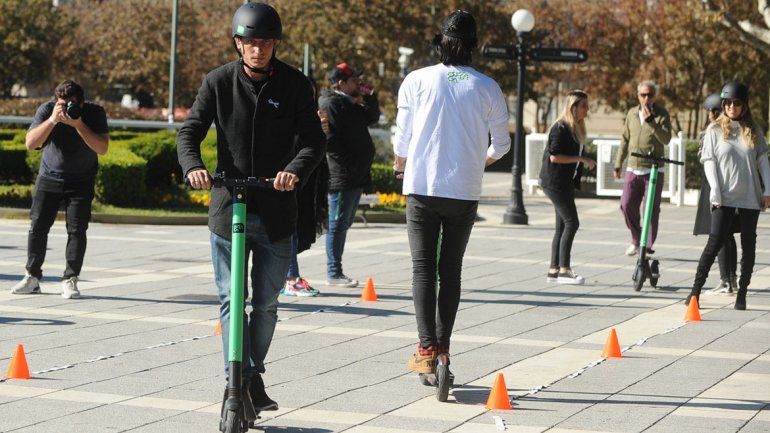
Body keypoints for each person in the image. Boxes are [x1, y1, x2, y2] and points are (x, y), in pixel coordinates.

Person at [176, 2, 325, 411]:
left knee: (266, 304)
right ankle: (237, 380)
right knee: (230, 298)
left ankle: (250, 374)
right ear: (238, 44)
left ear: (275, 44)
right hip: (230, 207)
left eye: (265, 43)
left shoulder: (296, 85)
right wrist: (193, 166)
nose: (257, 50)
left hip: (276, 208)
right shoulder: (218, 81)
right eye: (250, 43)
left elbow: (314, 142)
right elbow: (189, 132)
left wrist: (294, 171)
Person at [393, 10, 510, 380]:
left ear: (439, 42)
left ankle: (426, 348)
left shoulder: (417, 80)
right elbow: (502, 145)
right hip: (464, 191)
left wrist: (400, 164)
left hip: (423, 187)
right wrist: (479, 161)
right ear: (473, 46)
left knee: (423, 268)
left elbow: (402, 138)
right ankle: (444, 347)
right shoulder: (488, 87)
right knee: (451, 270)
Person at [10, 80, 109, 299]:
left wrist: (78, 124)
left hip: (82, 180)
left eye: (71, 104)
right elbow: (30, 143)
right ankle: (32, 277)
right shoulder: (48, 110)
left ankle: (70, 279)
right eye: (62, 103)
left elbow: (102, 148)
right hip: (49, 177)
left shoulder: (94, 112)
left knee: (77, 230)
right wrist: (53, 120)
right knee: (37, 227)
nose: (66, 108)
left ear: (81, 103)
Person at [685, 82, 770, 311]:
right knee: (714, 242)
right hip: (724, 197)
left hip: (750, 197)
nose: (732, 106)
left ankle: (742, 293)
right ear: (723, 105)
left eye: (737, 103)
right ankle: (695, 292)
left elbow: (763, 161)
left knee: (749, 245)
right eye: (728, 103)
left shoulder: (754, 130)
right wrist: (715, 189)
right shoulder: (714, 130)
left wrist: (768, 191)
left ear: (745, 105)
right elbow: (709, 161)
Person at [319, 62, 380, 287]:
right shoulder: (332, 104)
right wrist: (350, 165)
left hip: (355, 175)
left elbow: (371, 117)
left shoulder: (348, 103)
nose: (359, 84)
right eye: (354, 81)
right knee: (337, 224)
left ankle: (336, 271)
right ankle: (334, 273)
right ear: (341, 83)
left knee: (344, 223)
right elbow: (331, 142)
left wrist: (370, 96)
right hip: (343, 175)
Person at [539, 90, 596, 285]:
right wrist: (582, 159)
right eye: (583, 106)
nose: (587, 110)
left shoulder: (575, 128)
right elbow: (554, 156)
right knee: (572, 222)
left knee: (562, 226)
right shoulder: (560, 127)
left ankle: (553, 270)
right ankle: (564, 270)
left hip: (565, 183)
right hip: (554, 182)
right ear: (573, 107)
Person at [614, 80, 672, 256]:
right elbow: (625, 139)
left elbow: (666, 139)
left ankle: (646, 245)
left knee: (650, 210)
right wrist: (618, 163)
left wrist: (651, 122)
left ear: (655, 96)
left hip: (654, 170)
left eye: (650, 95)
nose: (646, 98)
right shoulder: (632, 113)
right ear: (638, 96)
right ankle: (636, 239)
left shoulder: (662, 114)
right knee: (626, 205)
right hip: (633, 168)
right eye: (643, 95)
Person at [283, 80, 329, 297]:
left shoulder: (310, 115)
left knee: (294, 228)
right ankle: (290, 279)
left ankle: (290, 277)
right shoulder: (283, 113)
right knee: (288, 229)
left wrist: (321, 132)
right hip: (284, 180)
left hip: (306, 182)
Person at [692, 93, 739, 294]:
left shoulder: (714, 131)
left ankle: (727, 279)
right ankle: (730, 279)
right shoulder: (718, 131)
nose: (710, 115)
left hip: (719, 188)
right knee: (726, 236)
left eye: (712, 111)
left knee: (720, 236)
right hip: (720, 187)